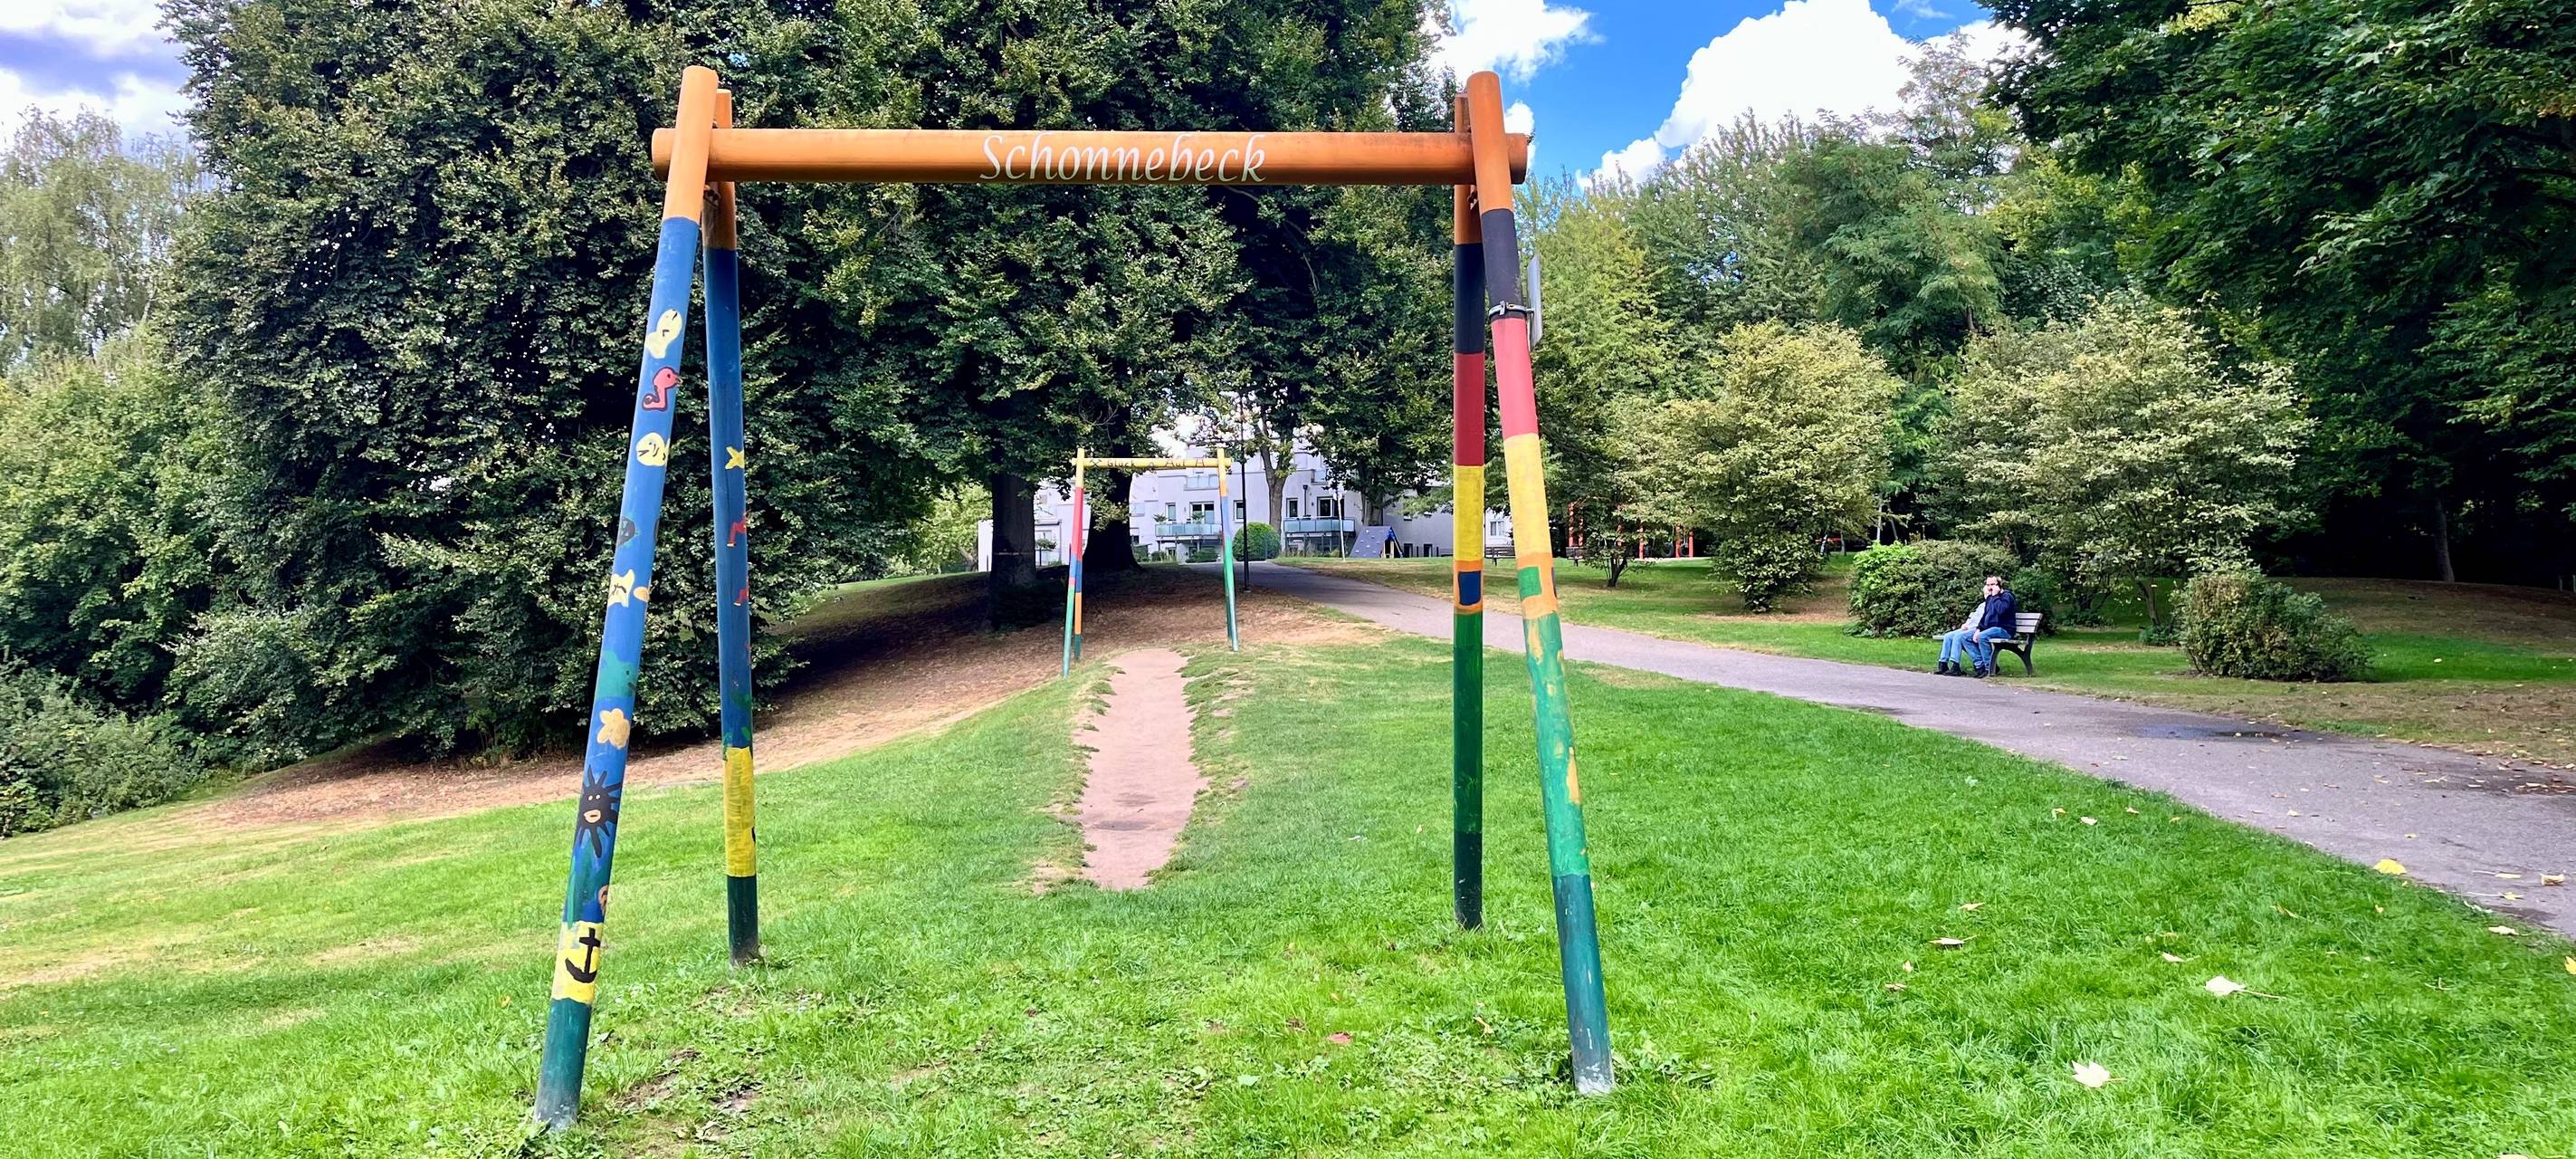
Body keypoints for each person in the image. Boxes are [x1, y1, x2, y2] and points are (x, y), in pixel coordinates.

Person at [1934, 575, 2018, 677]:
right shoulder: (1991, 598)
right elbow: (1985, 617)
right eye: (1987, 585)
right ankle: (1980, 666)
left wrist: (1995, 596)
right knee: (1965, 637)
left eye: (1992, 585)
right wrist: (1979, 629)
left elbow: (2001, 611)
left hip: (2004, 629)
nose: (1989, 587)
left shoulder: (2007, 596)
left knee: (1982, 637)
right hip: (1990, 629)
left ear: (1999, 585)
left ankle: (1989, 669)